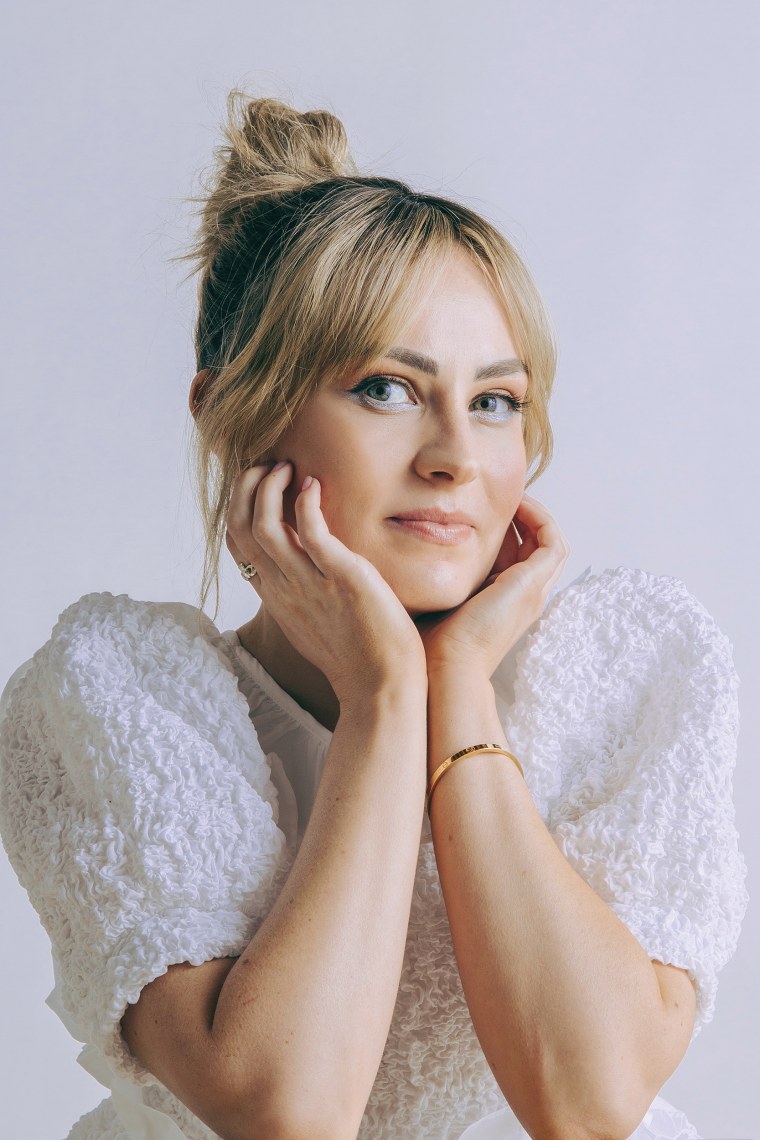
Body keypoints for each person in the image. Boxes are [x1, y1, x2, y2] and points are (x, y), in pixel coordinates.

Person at [0, 93, 748, 1140]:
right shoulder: (116, 695)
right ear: (231, 414)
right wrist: (386, 695)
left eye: (495, 401)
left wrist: (459, 688)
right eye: (388, 389)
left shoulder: (631, 669)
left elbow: (586, 1106)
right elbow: (285, 1112)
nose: (452, 455)